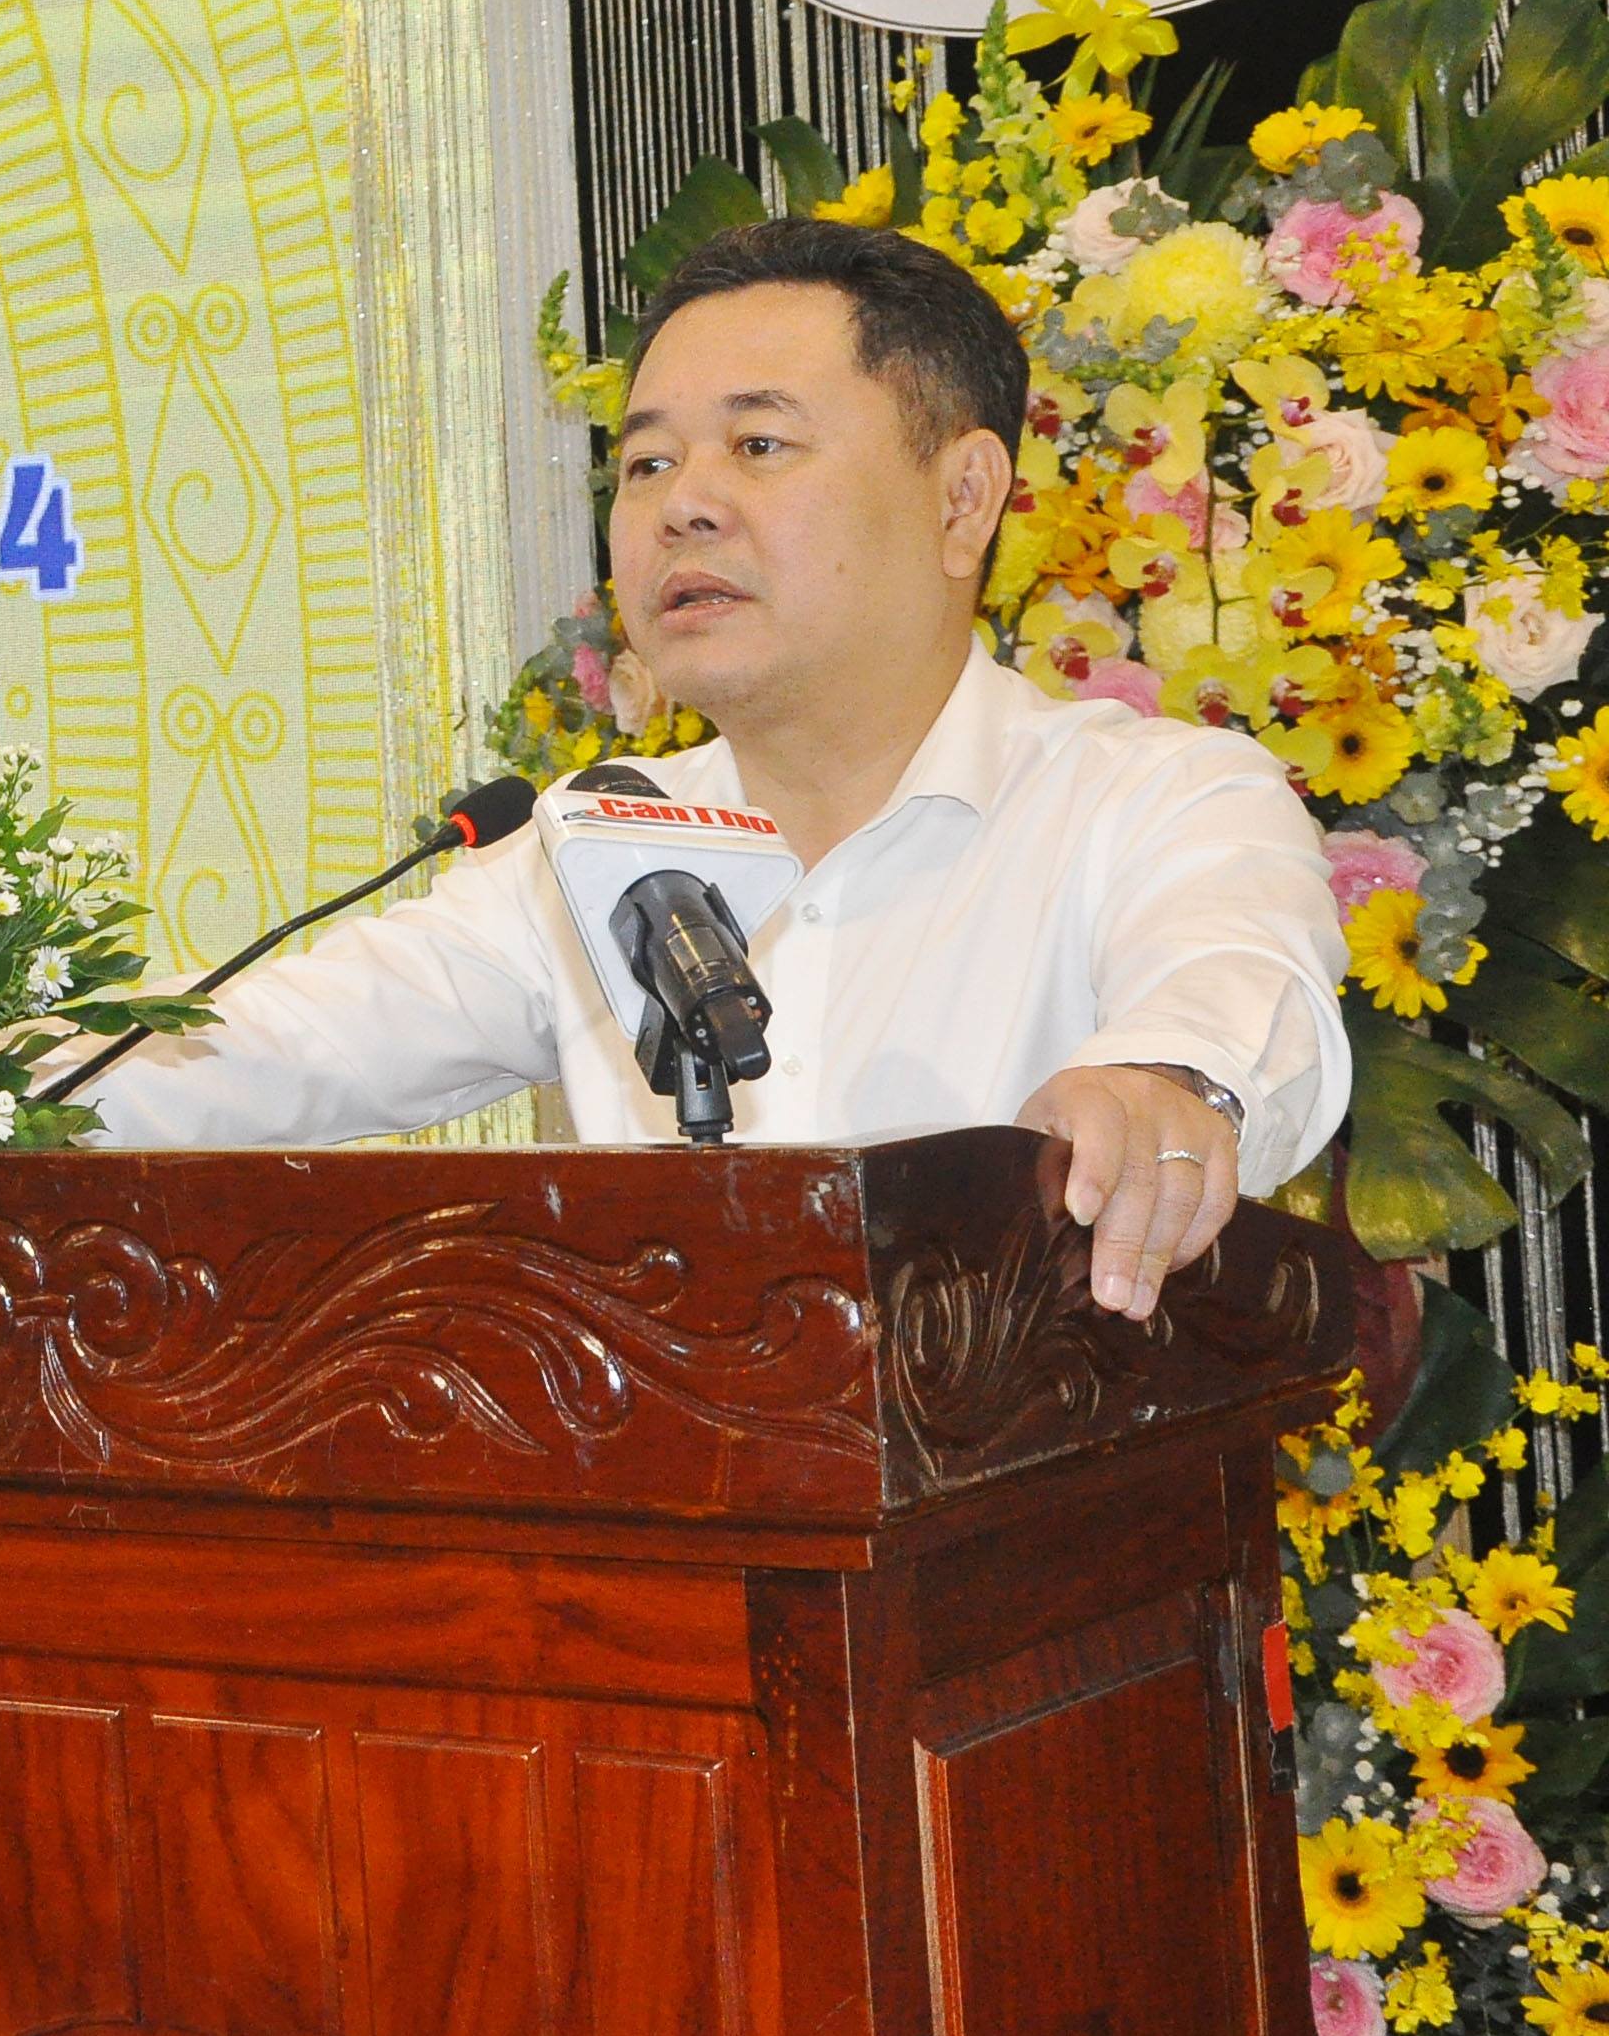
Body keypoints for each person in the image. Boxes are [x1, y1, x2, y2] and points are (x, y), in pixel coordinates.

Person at [92, 217, 1347, 1320]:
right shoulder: (590, 851)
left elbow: (1237, 998)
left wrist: (1163, 1086)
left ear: (962, 498)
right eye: (645, 463)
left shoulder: (1158, 801)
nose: (680, 505)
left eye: (756, 444)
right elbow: (260, 1054)